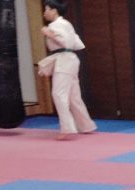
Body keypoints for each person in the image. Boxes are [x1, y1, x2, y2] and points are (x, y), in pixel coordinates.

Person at [38, 0, 96, 140]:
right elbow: (77, 43)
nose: (45, 13)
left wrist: (49, 33)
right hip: (68, 59)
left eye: (47, 9)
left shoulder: (57, 25)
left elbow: (66, 42)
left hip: (64, 60)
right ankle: (86, 125)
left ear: (54, 10)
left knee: (59, 94)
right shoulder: (65, 24)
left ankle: (67, 128)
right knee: (73, 96)